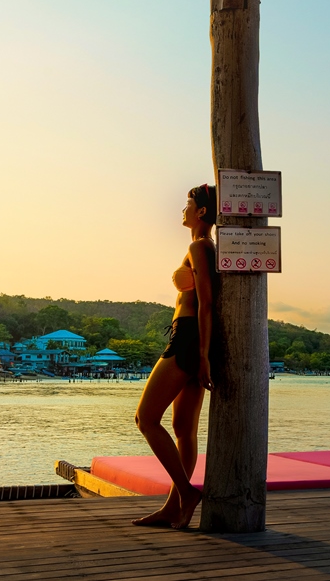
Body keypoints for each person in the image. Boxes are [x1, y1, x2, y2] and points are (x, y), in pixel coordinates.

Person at [133, 184, 218, 529]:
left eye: (187, 204)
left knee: (145, 418)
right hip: (193, 340)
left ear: (201, 212)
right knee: (183, 429)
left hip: (188, 340)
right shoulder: (207, 247)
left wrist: (202, 354)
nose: (182, 210)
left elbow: (207, 302)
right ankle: (173, 507)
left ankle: (186, 492)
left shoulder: (199, 246)